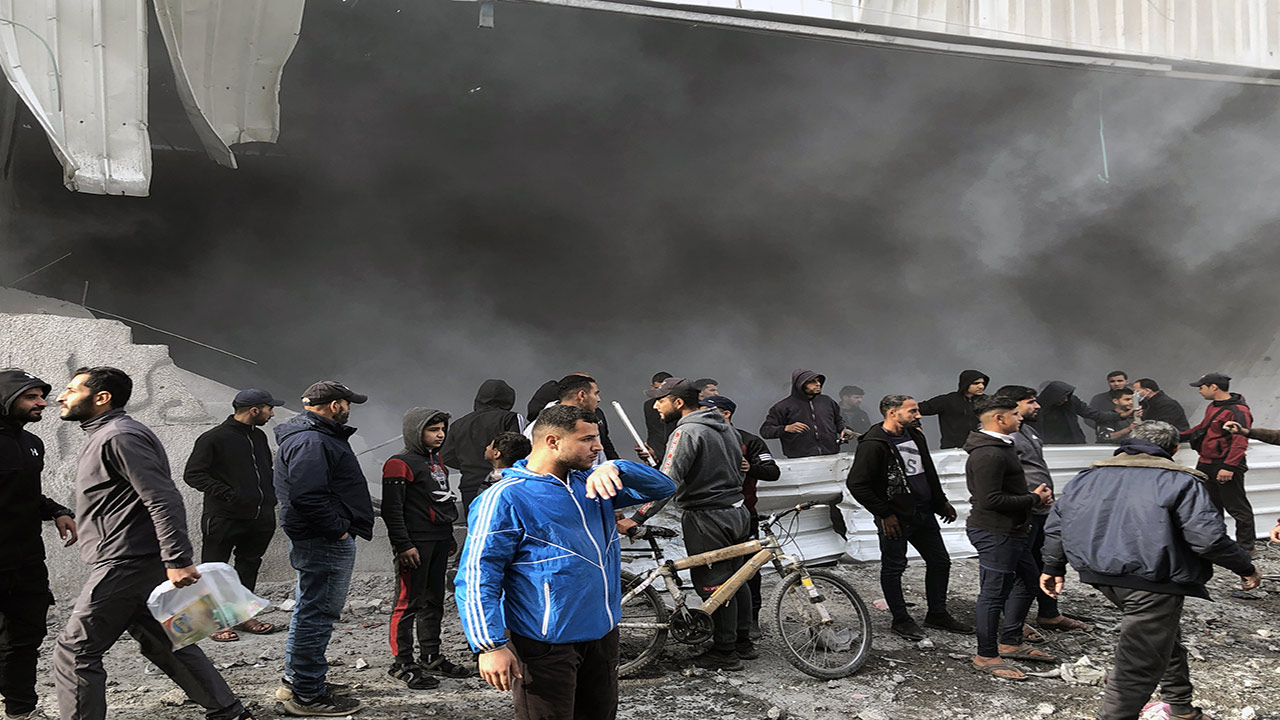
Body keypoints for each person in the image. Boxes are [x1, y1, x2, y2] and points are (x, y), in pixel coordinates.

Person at [52, 367, 251, 720]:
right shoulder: (107, 434)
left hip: (125, 561)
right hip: (127, 557)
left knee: (76, 650)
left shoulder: (119, 436)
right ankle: (228, 711)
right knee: (165, 641)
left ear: (101, 398)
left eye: (71, 390)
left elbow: (162, 498)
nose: (60, 397)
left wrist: (177, 558)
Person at [455, 404, 674, 720]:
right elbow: (478, 575)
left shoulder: (593, 484)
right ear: (553, 442)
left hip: (601, 635)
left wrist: (617, 468)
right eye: (587, 439)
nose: (597, 446)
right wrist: (490, 645)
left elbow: (663, 487)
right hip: (544, 644)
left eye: (596, 438)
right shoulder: (505, 497)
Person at [1040, 421, 1261, 720]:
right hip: (1154, 578)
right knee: (1139, 661)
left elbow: (1056, 525)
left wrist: (1053, 566)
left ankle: (1180, 708)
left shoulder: (1087, 477)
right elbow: (1207, 539)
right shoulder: (1182, 481)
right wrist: (1245, 567)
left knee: (1162, 636)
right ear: (1173, 449)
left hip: (1100, 574)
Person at [627, 378, 754, 670]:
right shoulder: (727, 429)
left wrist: (636, 517)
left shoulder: (686, 432)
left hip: (707, 517)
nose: (656, 405)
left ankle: (724, 652)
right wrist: (660, 461)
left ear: (679, 402)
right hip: (736, 511)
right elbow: (718, 469)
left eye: (661, 399)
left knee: (714, 583)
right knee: (737, 577)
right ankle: (742, 642)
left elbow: (667, 483)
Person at [273, 380, 374, 716]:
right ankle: (307, 695)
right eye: (348, 403)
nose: (349, 409)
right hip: (324, 540)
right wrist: (340, 531)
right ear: (335, 406)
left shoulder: (311, 437)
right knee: (317, 614)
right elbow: (307, 496)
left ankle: (299, 680)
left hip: (319, 538)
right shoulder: (313, 440)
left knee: (309, 610)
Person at [846, 394, 969, 641]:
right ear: (892, 412)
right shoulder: (874, 443)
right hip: (896, 518)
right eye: (912, 411)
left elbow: (927, 471)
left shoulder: (915, 435)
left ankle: (937, 613)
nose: (918, 415)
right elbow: (857, 484)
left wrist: (940, 501)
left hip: (923, 511)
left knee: (940, 562)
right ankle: (901, 620)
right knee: (894, 567)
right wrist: (884, 513)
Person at [0, 369, 77, 720]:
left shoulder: (32, 443)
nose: (43, 403)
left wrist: (57, 510)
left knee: (25, 639)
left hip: (27, 562)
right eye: (32, 397)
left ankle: (21, 711)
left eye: (42, 396)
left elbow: (25, 494)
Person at [962, 395, 1056, 681]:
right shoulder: (988, 453)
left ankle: (1011, 641)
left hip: (1011, 530)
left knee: (1029, 580)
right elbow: (990, 500)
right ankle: (986, 654)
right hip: (995, 532)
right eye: (1015, 414)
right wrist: (1033, 499)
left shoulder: (1001, 446)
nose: (1021, 418)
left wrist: (1032, 502)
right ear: (999, 419)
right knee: (993, 594)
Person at [182, 388, 284, 642]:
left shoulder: (259, 437)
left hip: (260, 516)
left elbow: (265, 471)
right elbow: (193, 474)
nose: (272, 413)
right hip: (223, 517)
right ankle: (214, 623)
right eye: (269, 408)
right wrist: (229, 494)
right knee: (214, 570)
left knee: (249, 566)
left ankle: (242, 616)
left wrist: (271, 496)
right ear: (254, 410)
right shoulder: (213, 438)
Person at [382, 407, 473, 689]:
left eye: (442, 429)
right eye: (433, 430)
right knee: (408, 601)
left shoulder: (437, 462)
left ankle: (431, 655)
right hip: (415, 543)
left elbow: (440, 502)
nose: (440, 435)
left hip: (438, 540)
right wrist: (403, 544)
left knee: (434, 600)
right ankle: (402, 663)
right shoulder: (399, 463)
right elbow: (392, 510)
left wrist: (448, 536)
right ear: (416, 431)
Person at [993, 385, 1090, 638]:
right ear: (1013, 406)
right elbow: (1003, 478)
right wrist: (1030, 499)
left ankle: (1049, 613)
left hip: (1041, 512)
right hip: (1023, 512)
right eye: (1031, 402)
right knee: (1018, 570)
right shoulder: (1004, 436)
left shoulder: (1028, 431)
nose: (1037, 406)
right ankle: (1014, 622)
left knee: (1046, 562)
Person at [699, 395, 780, 638]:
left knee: (748, 569)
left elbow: (772, 472)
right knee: (714, 569)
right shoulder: (701, 438)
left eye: (706, 411)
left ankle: (751, 620)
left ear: (726, 414)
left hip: (746, 515)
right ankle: (719, 621)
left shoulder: (749, 441)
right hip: (711, 515)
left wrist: (749, 468)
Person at [1180, 372, 1254, 554]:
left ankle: (1246, 548)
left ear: (1214, 387)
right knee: (1210, 505)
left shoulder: (1238, 410)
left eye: (1201, 387)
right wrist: (1177, 436)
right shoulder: (1213, 406)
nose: (1199, 391)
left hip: (1224, 464)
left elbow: (1240, 440)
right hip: (1206, 462)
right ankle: (1217, 543)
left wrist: (1229, 466)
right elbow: (1203, 428)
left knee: (1236, 506)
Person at [442, 380, 523, 514]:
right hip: (503, 484)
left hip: (469, 486)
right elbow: (519, 449)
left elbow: (446, 456)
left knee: (476, 529)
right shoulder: (510, 418)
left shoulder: (459, 423)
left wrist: (469, 464)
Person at [759, 369, 855, 459]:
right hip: (799, 460)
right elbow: (765, 431)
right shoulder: (783, 407)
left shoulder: (827, 401)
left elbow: (838, 421)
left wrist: (844, 430)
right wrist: (786, 428)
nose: (818, 384)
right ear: (800, 384)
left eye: (818, 381)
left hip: (831, 456)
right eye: (812, 382)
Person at [525, 374, 619, 464]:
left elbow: (599, 463)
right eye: (595, 394)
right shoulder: (541, 427)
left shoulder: (588, 423)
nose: (598, 399)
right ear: (582, 395)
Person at [1036, 380, 1127, 445]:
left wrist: (1120, 416)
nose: (1065, 399)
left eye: (1067, 396)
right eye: (1062, 397)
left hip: (1074, 442)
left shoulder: (1072, 401)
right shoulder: (1038, 406)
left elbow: (1095, 414)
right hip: (1048, 444)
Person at [918, 369, 988, 449]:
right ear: (966, 383)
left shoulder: (987, 401)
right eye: (976, 383)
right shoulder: (947, 401)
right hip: (953, 450)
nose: (981, 386)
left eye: (983, 383)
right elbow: (915, 409)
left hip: (980, 448)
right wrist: (916, 426)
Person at [642, 372, 675, 460]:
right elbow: (653, 431)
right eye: (657, 389)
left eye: (664, 390)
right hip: (656, 452)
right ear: (652, 386)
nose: (660, 393)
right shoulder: (648, 405)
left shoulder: (678, 406)